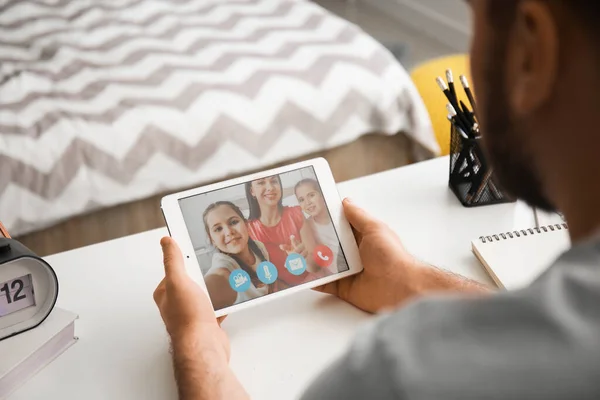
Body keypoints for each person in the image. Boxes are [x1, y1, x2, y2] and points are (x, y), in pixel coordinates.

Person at [153, 1, 600, 398]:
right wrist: (412, 281)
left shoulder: (402, 371)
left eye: (473, 15)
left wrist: (198, 349)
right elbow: (536, 332)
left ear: (531, 50)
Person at [244, 174, 317, 286]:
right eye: (261, 182)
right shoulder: (247, 230)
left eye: (274, 181)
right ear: (252, 191)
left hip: (310, 283)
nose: (270, 187)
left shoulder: (296, 214)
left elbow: (315, 266)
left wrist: (303, 258)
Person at [202, 201, 272, 310]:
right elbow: (217, 280)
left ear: (246, 224)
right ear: (213, 240)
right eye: (218, 229)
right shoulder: (223, 267)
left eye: (233, 222)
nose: (229, 232)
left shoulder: (259, 247)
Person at [294, 178, 346, 274]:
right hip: (334, 274)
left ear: (322, 194)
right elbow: (312, 262)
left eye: (311, 195)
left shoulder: (338, 214)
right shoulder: (307, 226)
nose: (307, 202)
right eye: (301, 200)